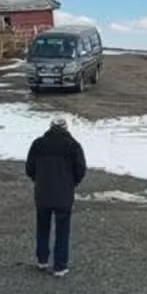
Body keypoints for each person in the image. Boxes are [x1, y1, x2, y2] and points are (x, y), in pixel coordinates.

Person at [25, 118, 87, 277]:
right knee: (62, 229)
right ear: (66, 129)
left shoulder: (38, 144)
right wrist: (71, 183)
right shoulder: (73, 146)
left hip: (43, 193)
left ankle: (42, 260)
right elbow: (80, 169)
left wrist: (39, 180)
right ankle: (60, 266)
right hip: (64, 194)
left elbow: (29, 168)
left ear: (50, 128)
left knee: (42, 227)